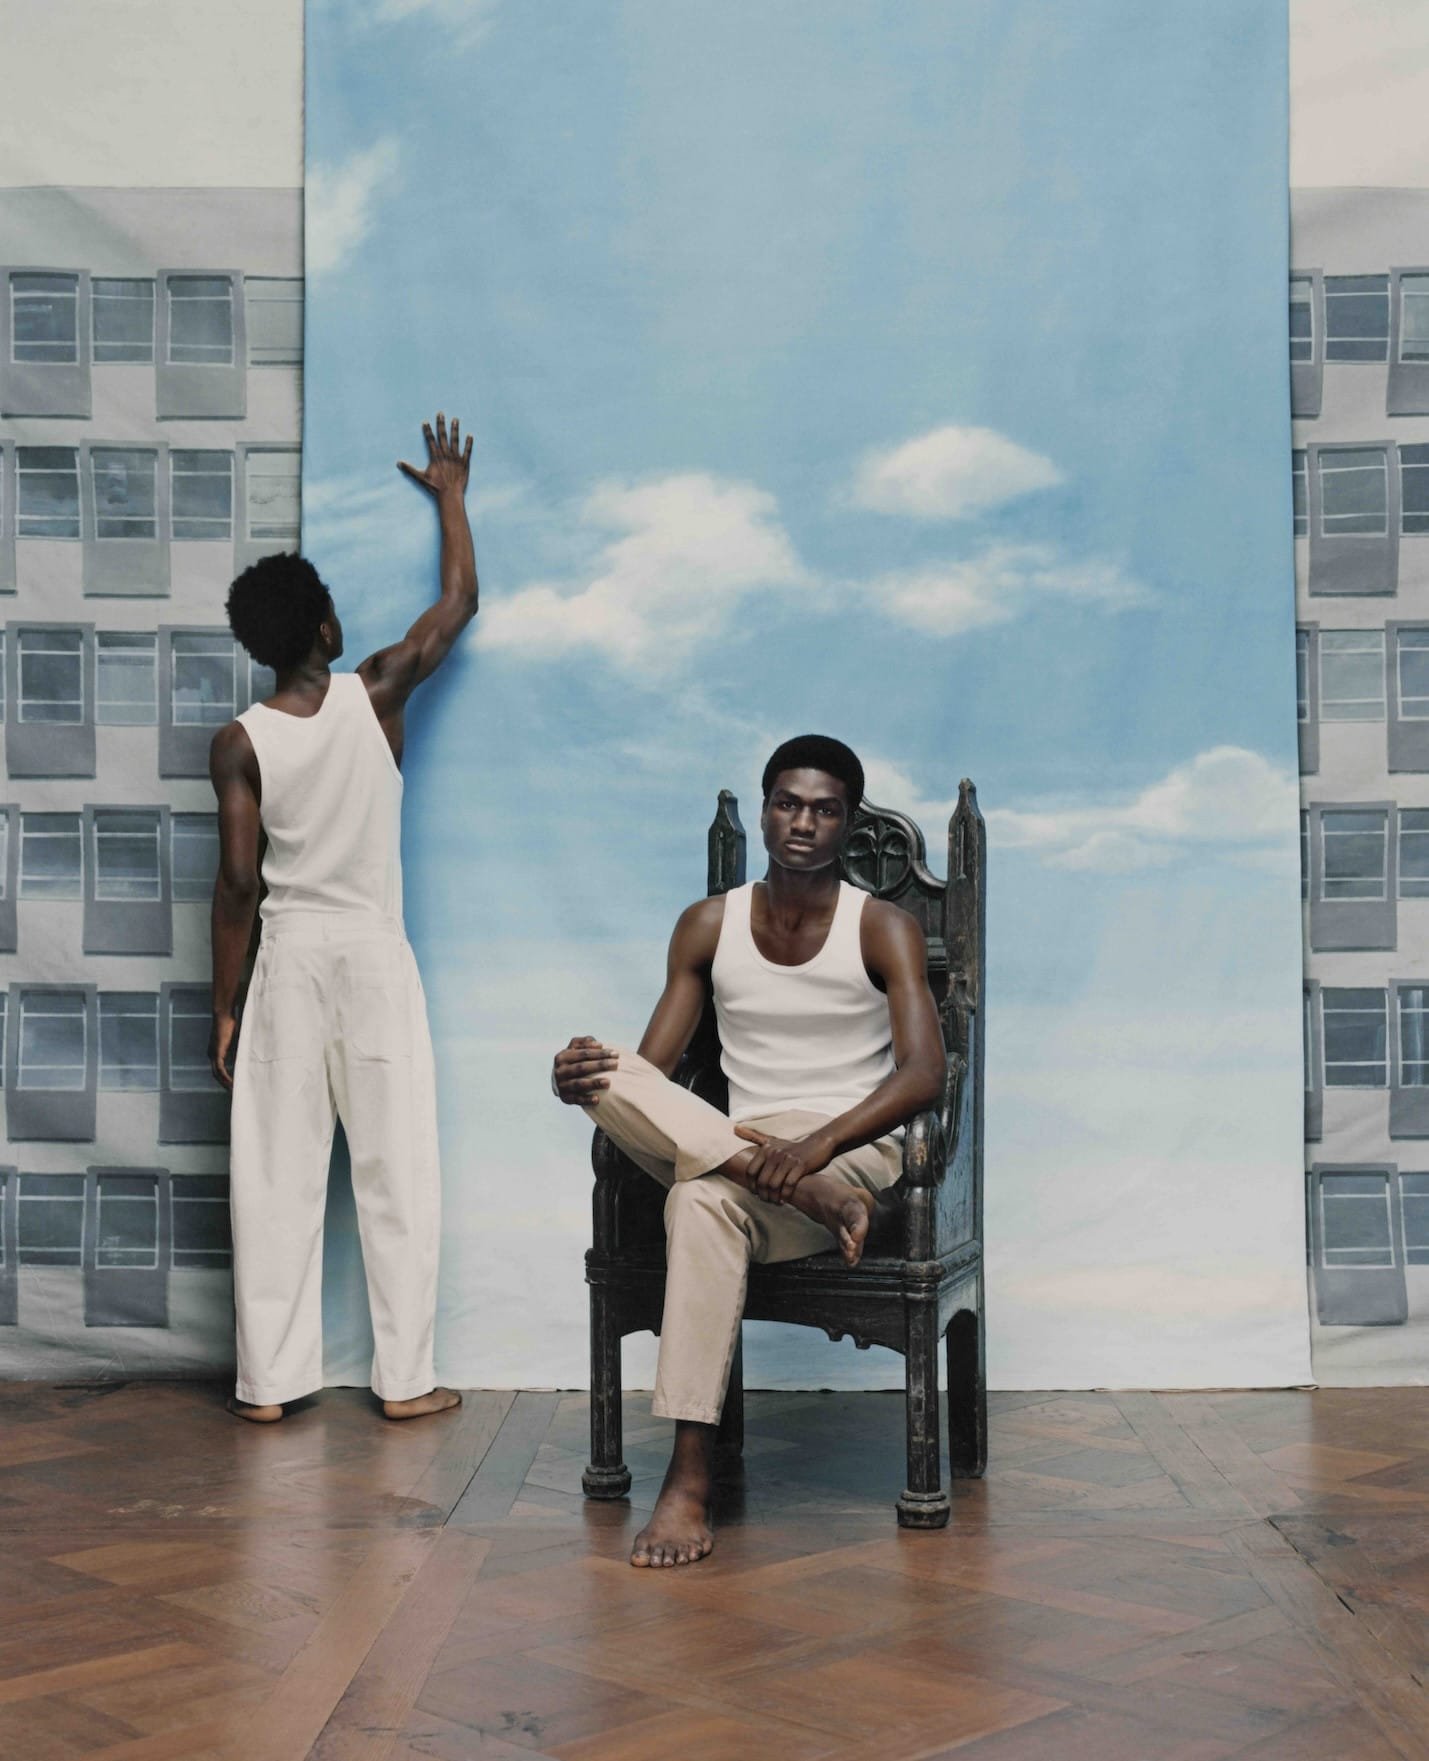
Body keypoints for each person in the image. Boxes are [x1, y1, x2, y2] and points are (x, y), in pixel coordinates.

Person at [552, 736, 946, 1566]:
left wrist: (818, 1147)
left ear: (847, 824)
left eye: (824, 810)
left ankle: (687, 1481)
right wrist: (590, 1079)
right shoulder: (707, 923)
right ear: (765, 811)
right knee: (607, 1073)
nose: (802, 822)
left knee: (696, 1194)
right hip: (739, 1144)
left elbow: (923, 1073)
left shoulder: (883, 927)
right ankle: (808, 1204)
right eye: (787, 804)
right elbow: (651, 1074)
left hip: (847, 1149)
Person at [209, 413, 477, 1423]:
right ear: (326, 629)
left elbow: (239, 886)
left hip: (286, 965)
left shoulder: (238, 743)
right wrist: (451, 497)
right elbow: (458, 603)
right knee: (397, 1168)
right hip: (372, 957)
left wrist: (225, 1004)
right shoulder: (380, 691)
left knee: (275, 1179)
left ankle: (270, 1387)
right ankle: (404, 1382)